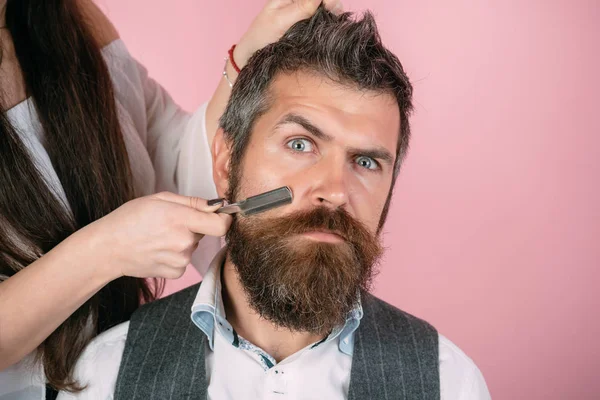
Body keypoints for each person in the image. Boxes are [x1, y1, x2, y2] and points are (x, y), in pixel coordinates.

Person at [59, 6, 491, 400]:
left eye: (365, 161)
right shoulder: (104, 376)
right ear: (226, 161)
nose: (335, 191)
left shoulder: (449, 383)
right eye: (300, 144)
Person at [0, 0, 342, 399]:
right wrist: (106, 249)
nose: (334, 191)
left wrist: (245, 58)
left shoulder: (71, 20)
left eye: (366, 161)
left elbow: (168, 160)